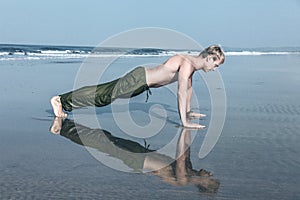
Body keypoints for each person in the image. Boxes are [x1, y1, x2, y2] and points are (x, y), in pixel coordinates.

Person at [50, 45, 225, 129]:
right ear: (209, 57)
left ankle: (64, 102)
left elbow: (188, 88)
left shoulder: (190, 65)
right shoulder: (187, 64)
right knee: (103, 96)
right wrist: (185, 122)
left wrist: (188, 111)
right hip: (138, 79)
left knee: (105, 93)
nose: (215, 68)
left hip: (140, 82)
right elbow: (180, 92)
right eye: (216, 64)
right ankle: (61, 100)